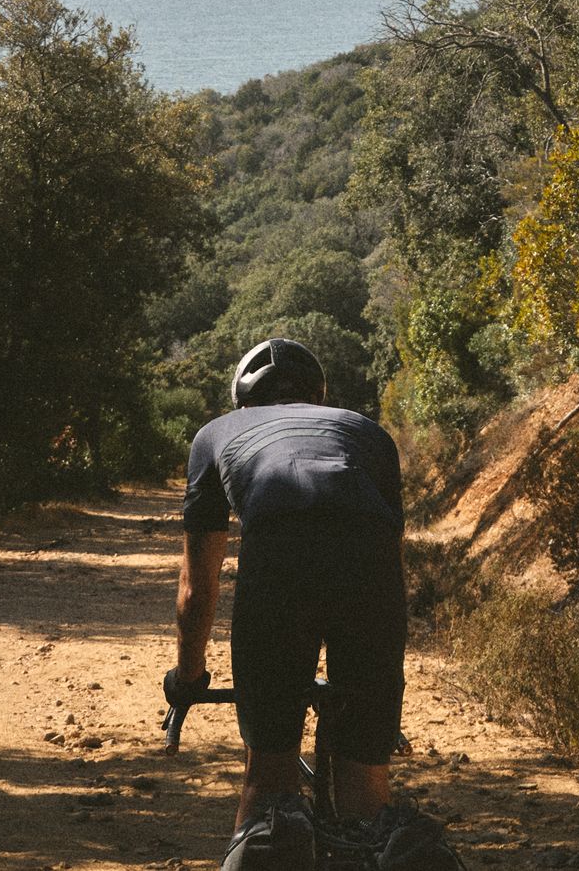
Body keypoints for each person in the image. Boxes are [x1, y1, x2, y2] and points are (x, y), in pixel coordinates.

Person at [166, 336, 462, 870]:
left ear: (242, 399)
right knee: (367, 783)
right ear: (318, 395)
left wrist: (187, 679)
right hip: (370, 577)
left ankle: (269, 837)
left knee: (270, 775)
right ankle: (384, 843)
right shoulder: (369, 434)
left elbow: (197, 587)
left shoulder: (214, 435)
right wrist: (374, 683)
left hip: (280, 559)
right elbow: (390, 561)